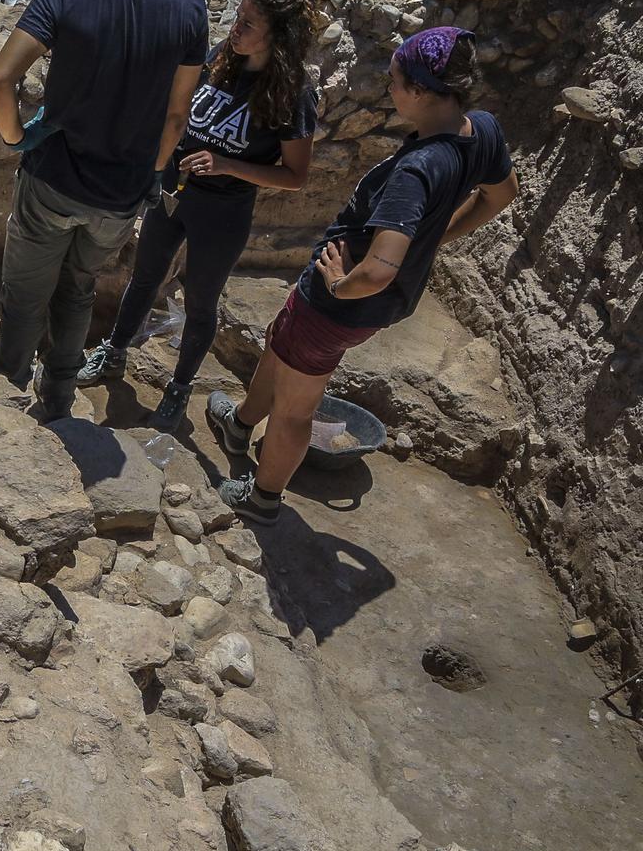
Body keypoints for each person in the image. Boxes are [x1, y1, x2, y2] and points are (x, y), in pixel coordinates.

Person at [207, 27, 518, 524]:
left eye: (395, 81)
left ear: (419, 90)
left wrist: (339, 285)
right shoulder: (480, 129)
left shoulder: (415, 172)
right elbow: (499, 196)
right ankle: (241, 426)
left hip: (336, 306)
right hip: (367, 303)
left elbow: (376, 270)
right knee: (278, 345)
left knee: (295, 409)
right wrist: (432, 240)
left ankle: (262, 498)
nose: (390, 90)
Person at [0, 0, 210, 420]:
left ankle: (6, 402)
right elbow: (177, 114)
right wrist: (151, 172)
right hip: (121, 192)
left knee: (25, 297)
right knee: (79, 288)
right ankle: (59, 397)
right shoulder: (190, 11)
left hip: (53, 179)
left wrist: (17, 138)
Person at [78, 0, 322, 430]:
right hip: (174, 193)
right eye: (238, 17)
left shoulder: (293, 95)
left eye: (249, 24)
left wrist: (229, 165)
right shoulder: (223, 58)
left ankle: (180, 387)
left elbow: (295, 176)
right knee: (144, 276)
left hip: (222, 211)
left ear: (279, 38)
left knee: (201, 302)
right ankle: (113, 351)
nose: (236, 29)